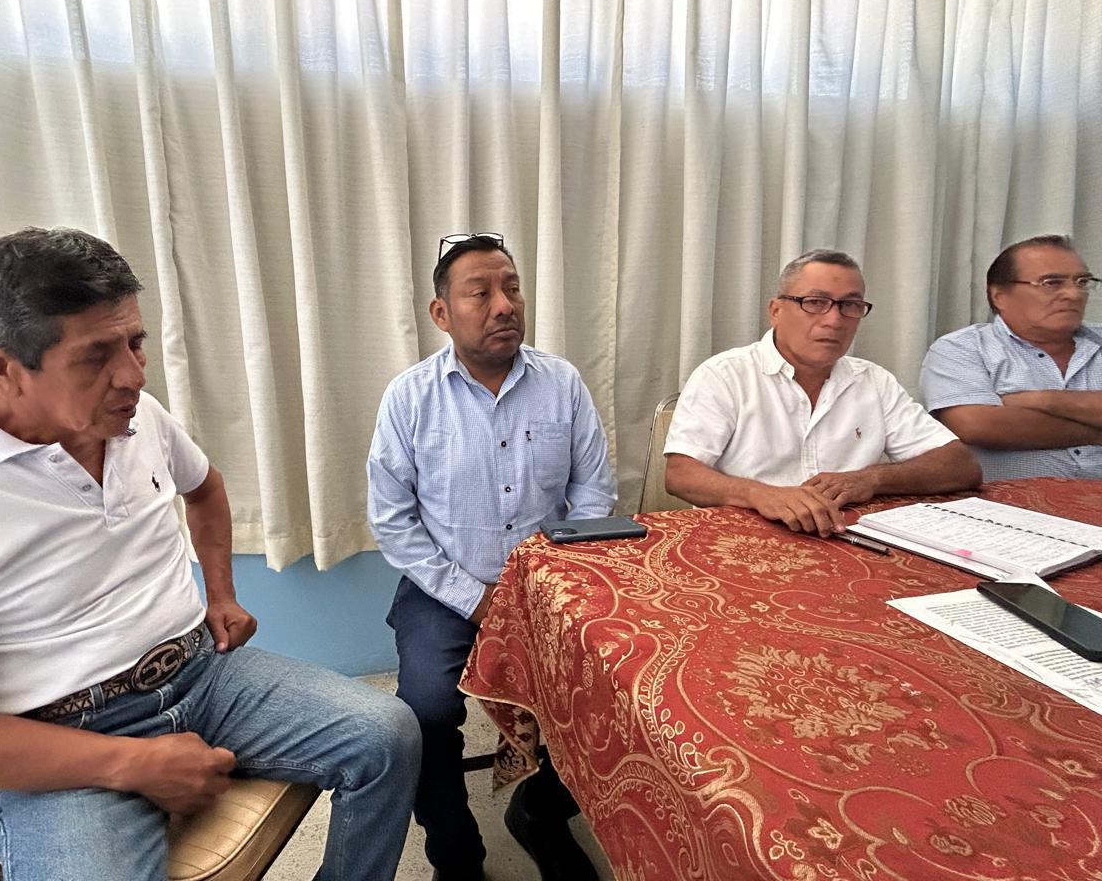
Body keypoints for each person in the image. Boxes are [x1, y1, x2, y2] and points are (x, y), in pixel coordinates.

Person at [0, 227, 420, 881]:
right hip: (56, 739)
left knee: (387, 736)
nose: (134, 375)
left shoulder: (138, 416)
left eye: (135, 342)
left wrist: (222, 594)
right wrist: (132, 764)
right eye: (95, 355)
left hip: (200, 675)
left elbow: (206, 489)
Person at [367, 232, 615, 881]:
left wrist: (553, 583)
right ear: (441, 313)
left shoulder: (561, 383)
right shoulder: (410, 398)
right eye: (480, 293)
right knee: (424, 713)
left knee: (605, 697)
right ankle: (457, 856)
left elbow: (593, 494)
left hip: (550, 585)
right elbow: (393, 522)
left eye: (512, 288)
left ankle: (541, 815)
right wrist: (474, 598)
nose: (504, 305)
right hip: (445, 589)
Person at [664, 249, 981, 535]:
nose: (834, 320)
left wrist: (871, 479)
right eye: (815, 303)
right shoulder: (725, 374)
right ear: (776, 311)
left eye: (850, 305)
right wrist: (760, 494)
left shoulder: (873, 380)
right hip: (744, 538)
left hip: (848, 536)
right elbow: (681, 475)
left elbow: (960, 466)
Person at [920, 234, 1102, 481]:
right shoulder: (963, 348)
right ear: (999, 296)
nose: (1073, 293)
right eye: (1051, 282)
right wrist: (1095, 432)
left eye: (1082, 282)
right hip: (1013, 501)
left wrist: (1043, 400)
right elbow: (978, 426)